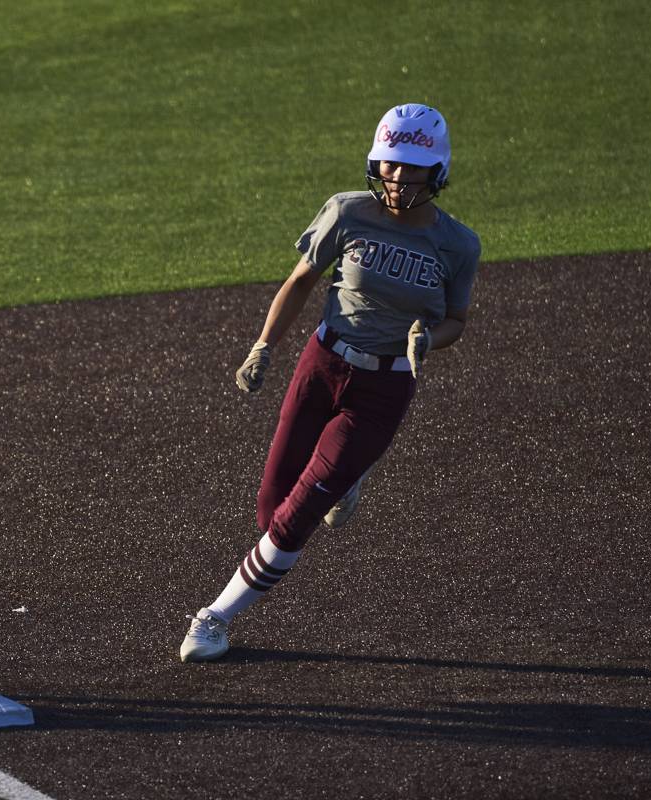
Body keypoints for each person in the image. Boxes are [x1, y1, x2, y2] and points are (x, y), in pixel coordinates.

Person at [180, 103, 480, 662]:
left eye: (412, 166)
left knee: (294, 520)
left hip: (383, 388)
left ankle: (213, 617)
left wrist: (428, 340)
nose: (398, 176)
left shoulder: (459, 244)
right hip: (321, 366)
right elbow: (301, 280)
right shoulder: (347, 210)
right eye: (390, 163)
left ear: (437, 171)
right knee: (271, 512)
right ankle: (345, 480)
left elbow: (456, 320)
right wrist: (263, 346)